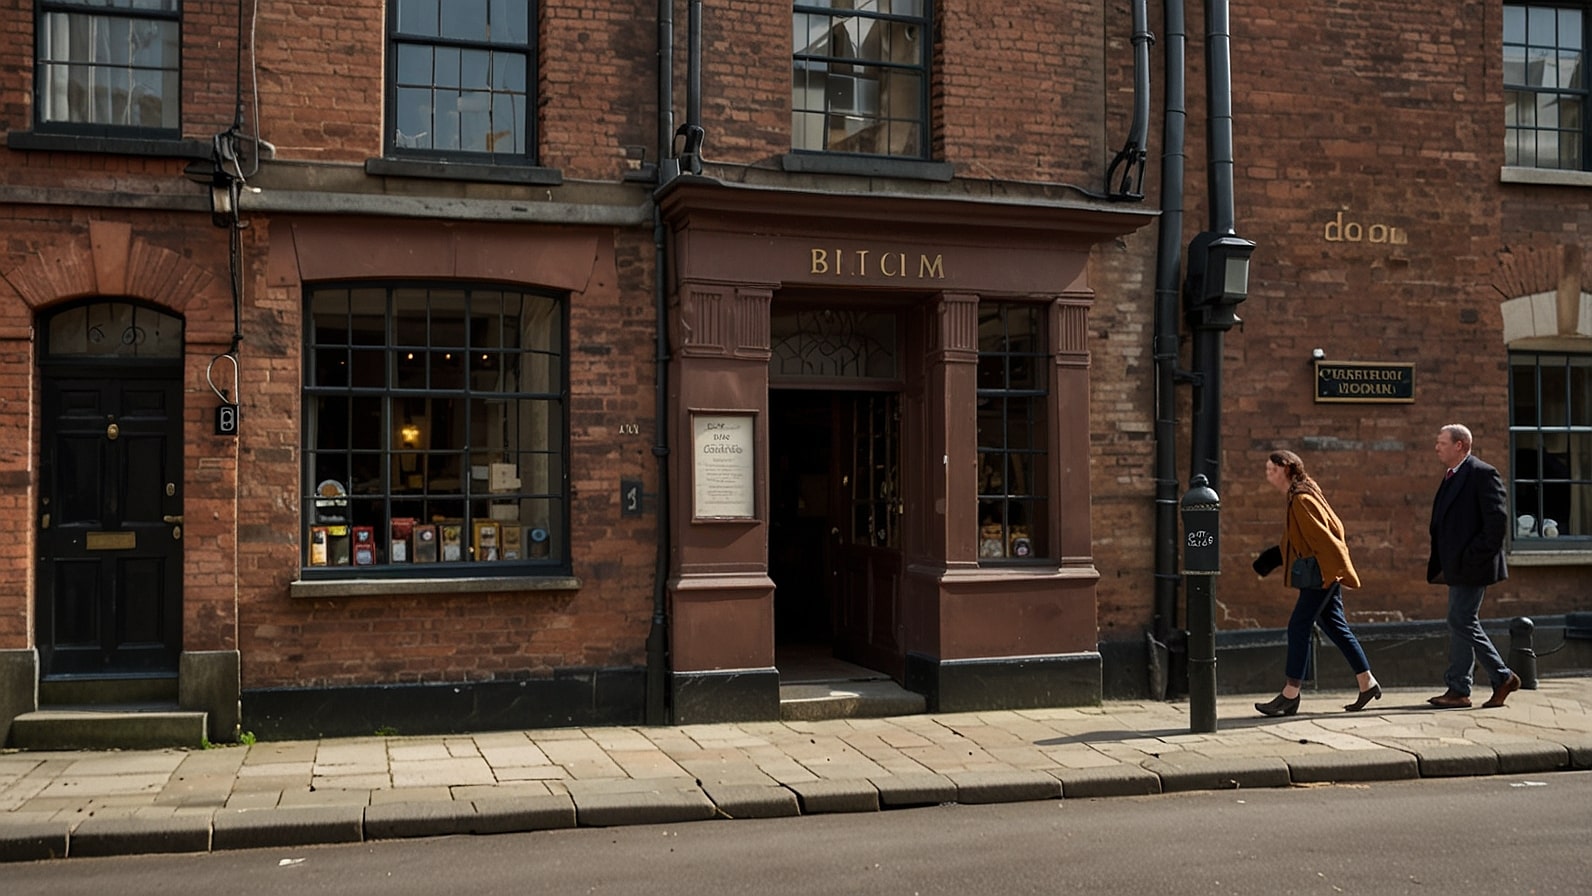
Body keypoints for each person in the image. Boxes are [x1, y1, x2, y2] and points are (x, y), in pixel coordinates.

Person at [1251, 450, 1381, 717]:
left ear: (1286, 468)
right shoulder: (1300, 494)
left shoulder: (1301, 499)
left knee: (1298, 626)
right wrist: (1273, 559)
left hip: (1321, 575)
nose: (1268, 475)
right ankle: (1367, 683)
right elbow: (1303, 538)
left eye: (1271, 470)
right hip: (1322, 572)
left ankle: (1290, 694)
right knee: (1333, 625)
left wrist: (1331, 576)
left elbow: (1327, 538)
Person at [1426, 424, 1519, 709]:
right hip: (1457, 565)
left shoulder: (1482, 473)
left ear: (1460, 446)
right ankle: (1458, 689)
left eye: (1442, 442)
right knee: (1460, 622)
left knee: (1461, 620)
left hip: (1473, 565)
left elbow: (1496, 524)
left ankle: (1502, 676)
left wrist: (1471, 557)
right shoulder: (1452, 474)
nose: (1436, 447)